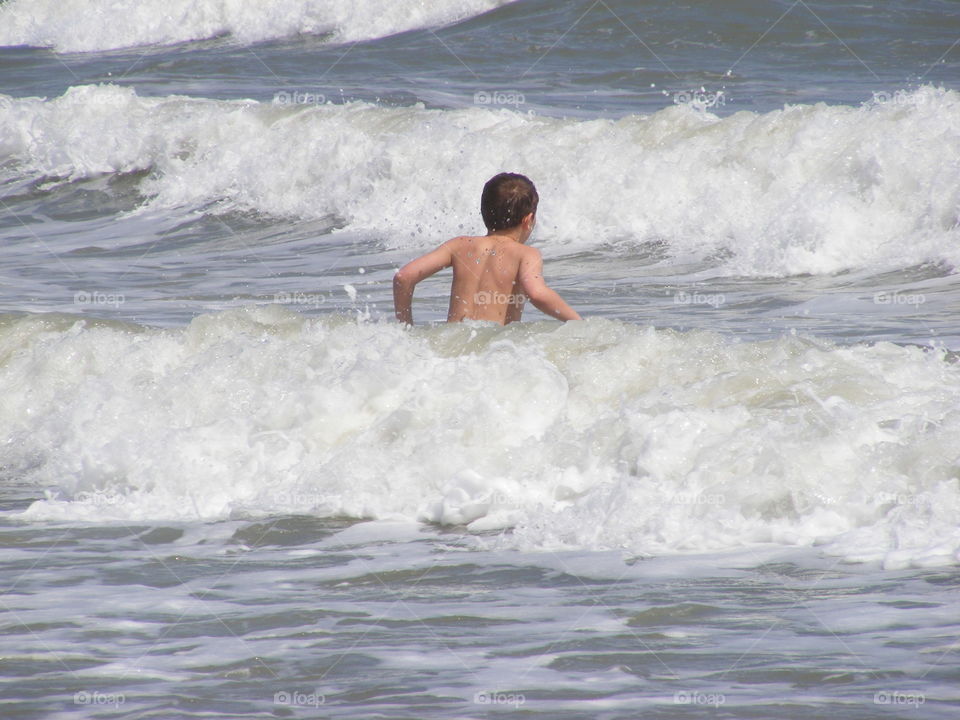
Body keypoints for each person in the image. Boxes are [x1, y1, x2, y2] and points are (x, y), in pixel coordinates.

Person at [393, 173, 581, 326]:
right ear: (528, 219)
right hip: (492, 353)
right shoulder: (527, 254)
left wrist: (406, 327)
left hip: (451, 349)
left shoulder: (458, 245)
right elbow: (537, 294)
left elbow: (404, 276)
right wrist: (578, 323)